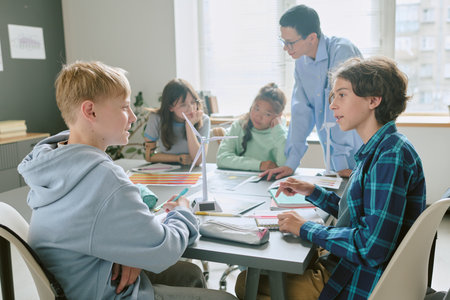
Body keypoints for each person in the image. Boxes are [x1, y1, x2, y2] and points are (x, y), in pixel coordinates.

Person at [17, 61, 236, 300]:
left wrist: (129, 252)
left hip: (80, 280)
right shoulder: (104, 177)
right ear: (90, 111)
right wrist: (184, 213)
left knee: (190, 274)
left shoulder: (53, 163)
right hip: (102, 292)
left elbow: (92, 222)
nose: (132, 117)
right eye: (124, 107)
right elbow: (164, 250)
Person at [235, 56, 426, 299]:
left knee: (245, 283)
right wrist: (314, 192)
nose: (332, 105)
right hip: (353, 266)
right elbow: (360, 216)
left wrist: (306, 228)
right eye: (333, 96)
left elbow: (372, 247)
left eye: (342, 95)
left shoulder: (390, 156)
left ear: (373, 100)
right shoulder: (383, 147)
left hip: (360, 279)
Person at [263, 4, 363, 180]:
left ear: (311, 38)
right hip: (334, 165)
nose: (285, 48)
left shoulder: (342, 51)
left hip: (356, 157)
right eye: (283, 41)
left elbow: (345, 109)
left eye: (290, 42)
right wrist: (291, 162)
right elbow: (300, 112)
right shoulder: (301, 64)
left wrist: (341, 163)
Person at [216, 82, 288, 172]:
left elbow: (284, 166)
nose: (258, 116)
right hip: (240, 180)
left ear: (278, 116)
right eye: (256, 108)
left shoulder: (282, 133)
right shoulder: (239, 126)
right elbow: (222, 158)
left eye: (267, 114)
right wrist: (259, 165)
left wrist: (279, 131)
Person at [144, 78, 210, 166]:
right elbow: (149, 156)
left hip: (191, 171)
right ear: (170, 107)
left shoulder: (204, 120)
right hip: (165, 169)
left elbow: (198, 161)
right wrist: (178, 158)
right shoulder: (156, 118)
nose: (191, 109)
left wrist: (189, 125)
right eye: (183, 105)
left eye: (193, 102)